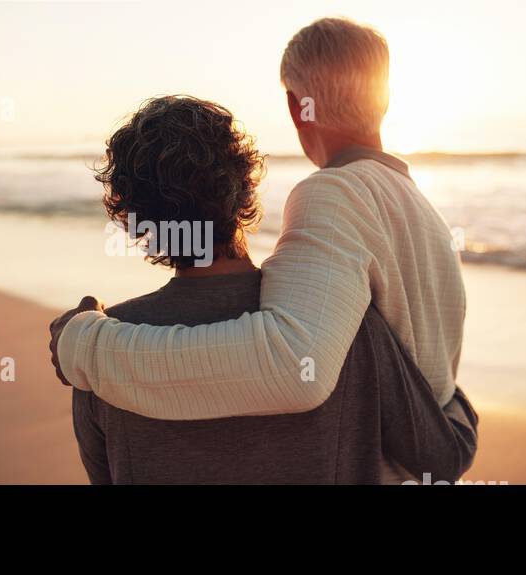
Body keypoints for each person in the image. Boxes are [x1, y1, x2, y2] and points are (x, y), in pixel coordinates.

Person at [50, 18, 468, 423]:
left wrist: (85, 346)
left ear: (296, 106)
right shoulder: (427, 215)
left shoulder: (336, 192)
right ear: (387, 98)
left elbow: (293, 368)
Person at [71, 95, 476, 484]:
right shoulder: (344, 325)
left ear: (133, 220)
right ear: (246, 186)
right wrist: (458, 405)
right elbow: (434, 453)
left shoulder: (103, 349)